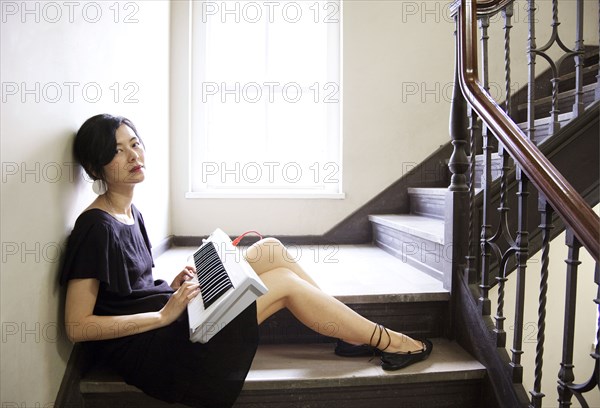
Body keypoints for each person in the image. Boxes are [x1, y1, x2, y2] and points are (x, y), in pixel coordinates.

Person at [61, 114, 433, 408]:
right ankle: (391, 342)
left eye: (135, 144)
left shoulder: (130, 212)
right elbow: (78, 326)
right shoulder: (95, 227)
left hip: (167, 315)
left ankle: (345, 330)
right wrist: (163, 314)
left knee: (269, 248)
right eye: (117, 151)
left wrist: (173, 286)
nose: (134, 156)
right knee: (284, 284)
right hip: (156, 348)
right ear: (96, 168)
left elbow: (129, 287)